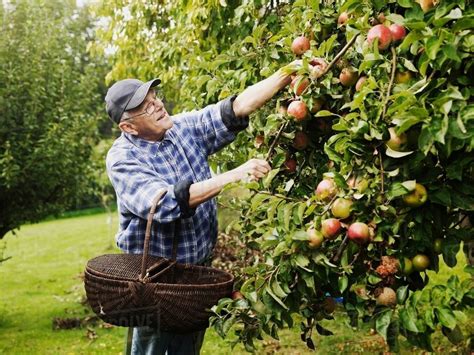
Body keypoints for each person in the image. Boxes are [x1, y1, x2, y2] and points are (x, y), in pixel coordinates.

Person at [104, 64, 296, 354]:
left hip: (196, 275)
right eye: (145, 107)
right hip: (154, 281)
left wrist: (289, 73)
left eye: (155, 97)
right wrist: (232, 175)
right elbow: (163, 203)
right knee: (151, 349)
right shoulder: (122, 159)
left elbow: (235, 108)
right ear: (128, 127)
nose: (157, 105)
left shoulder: (181, 128)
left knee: (187, 348)